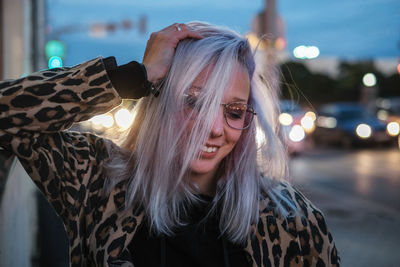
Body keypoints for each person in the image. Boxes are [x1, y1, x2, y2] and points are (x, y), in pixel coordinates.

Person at [0, 22, 340, 267]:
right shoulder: (98, 182)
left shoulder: (291, 221)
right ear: (160, 100)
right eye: (194, 103)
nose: (215, 130)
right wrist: (136, 76)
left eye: (234, 112)